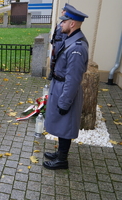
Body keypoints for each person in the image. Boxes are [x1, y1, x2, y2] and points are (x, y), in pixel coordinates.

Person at [43, 5, 89, 170]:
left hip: (66, 89)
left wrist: (64, 102)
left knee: (66, 123)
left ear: (72, 24)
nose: (60, 24)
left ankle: (62, 160)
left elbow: (73, 79)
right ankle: (60, 154)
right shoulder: (70, 40)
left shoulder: (77, 47)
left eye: (64, 22)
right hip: (59, 86)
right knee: (62, 124)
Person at [48, 3, 74, 80]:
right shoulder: (62, 23)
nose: (61, 12)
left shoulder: (66, 25)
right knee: (53, 60)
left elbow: (64, 38)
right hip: (56, 44)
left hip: (60, 45)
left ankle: (54, 74)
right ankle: (52, 73)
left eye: (63, 10)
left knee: (57, 60)